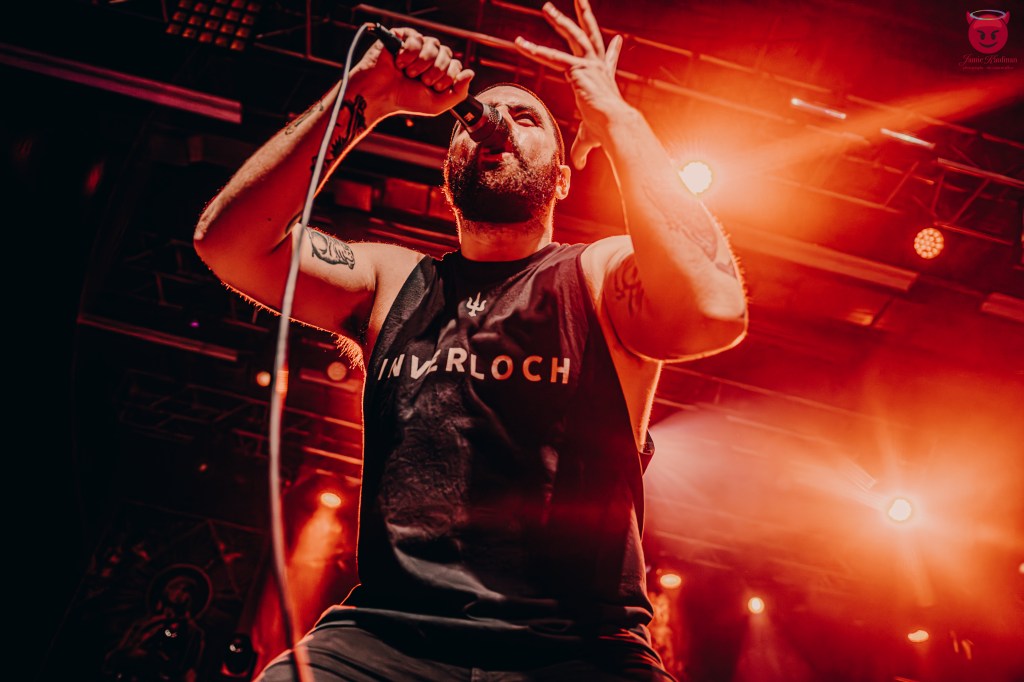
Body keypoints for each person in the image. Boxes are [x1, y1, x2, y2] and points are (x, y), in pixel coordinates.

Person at [193, 1, 747, 679]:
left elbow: (715, 309)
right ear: (448, 172)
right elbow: (228, 245)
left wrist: (617, 118)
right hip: (386, 639)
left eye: (528, 119)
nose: (499, 123)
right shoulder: (392, 279)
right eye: (485, 115)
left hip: (578, 649)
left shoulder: (600, 274)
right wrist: (363, 99)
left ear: (563, 178)